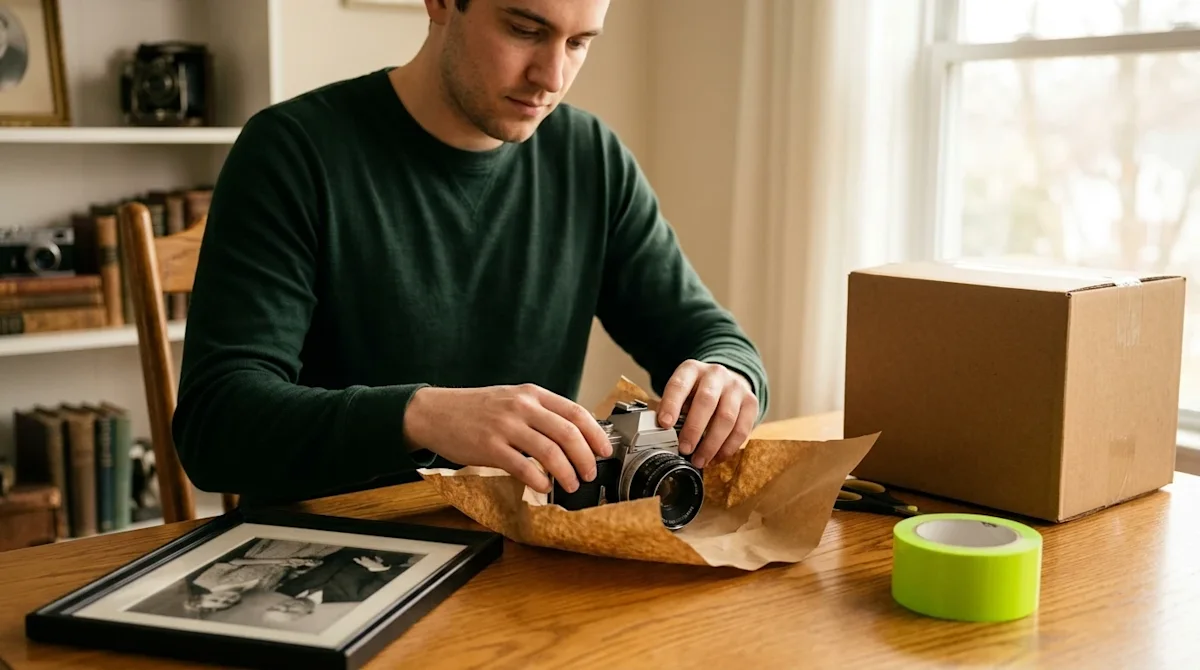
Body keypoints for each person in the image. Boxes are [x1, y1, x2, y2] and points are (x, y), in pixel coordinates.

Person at [172, 0, 770, 509]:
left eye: (580, 42)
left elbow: (708, 336)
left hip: (519, 556)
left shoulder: (591, 159)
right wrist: (422, 416)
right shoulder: (292, 152)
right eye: (525, 30)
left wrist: (727, 378)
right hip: (330, 560)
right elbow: (217, 426)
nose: (551, 76)